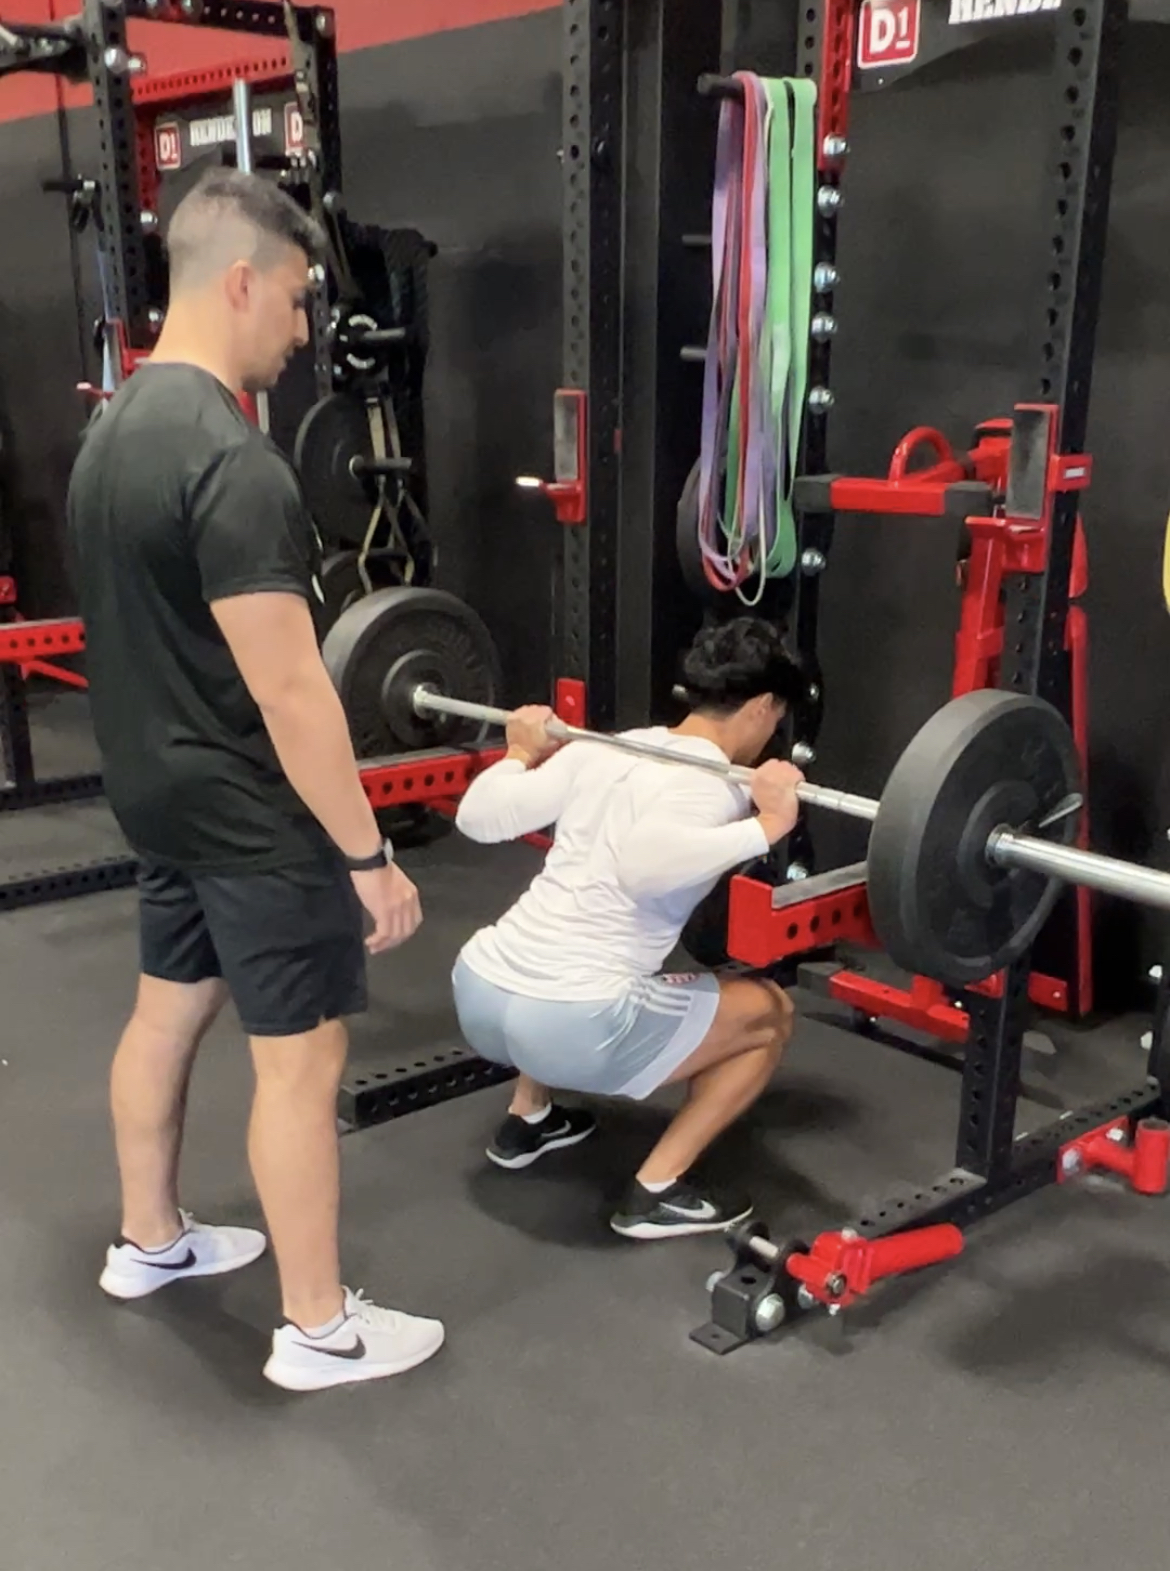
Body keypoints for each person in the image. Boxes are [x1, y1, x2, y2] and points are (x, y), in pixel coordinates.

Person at [66, 168, 444, 1392]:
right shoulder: (234, 462)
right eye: (292, 298)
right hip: (244, 804)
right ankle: (320, 1325)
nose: (302, 329)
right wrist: (367, 856)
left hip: (154, 787)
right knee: (303, 1055)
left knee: (168, 1006)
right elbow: (291, 690)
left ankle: (151, 1239)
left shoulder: (109, 435)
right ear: (239, 282)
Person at [451, 616, 806, 1239]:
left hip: (480, 990)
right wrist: (769, 824)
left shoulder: (607, 746)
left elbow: (478, 816)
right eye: (776, 718)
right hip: (572, 1024)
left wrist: (518, 754)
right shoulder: (713, 785)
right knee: (770, 1013)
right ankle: (656, 1192)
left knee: (574, 939)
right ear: (761, 707)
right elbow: (646, 869)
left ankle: (527, 1120)